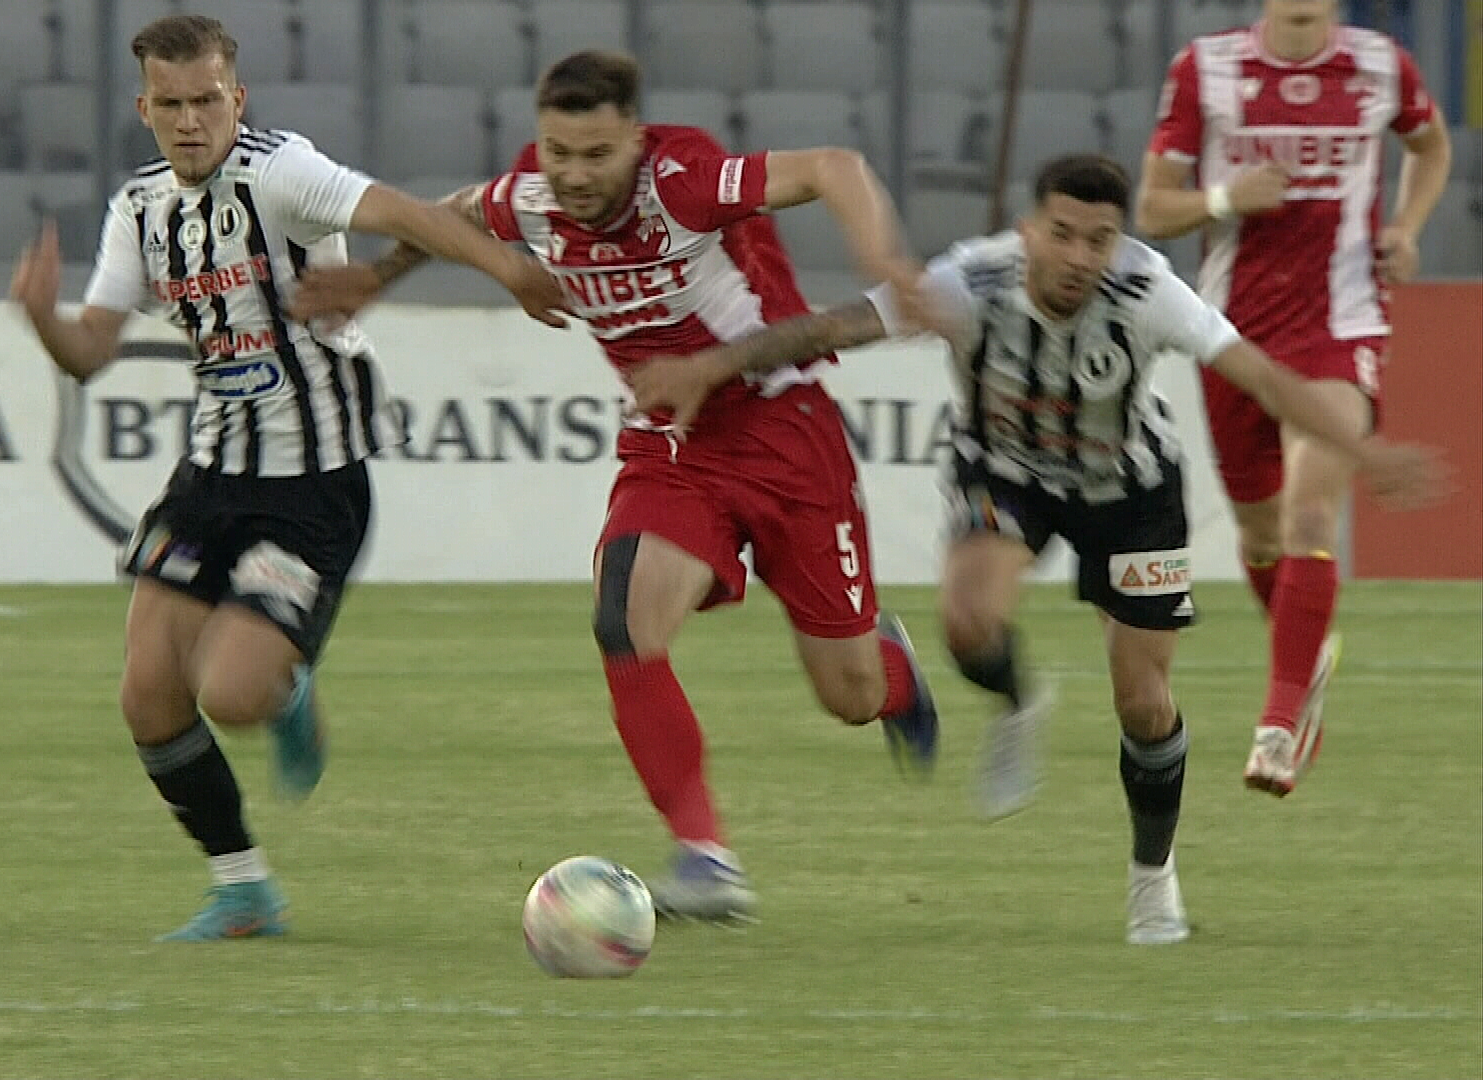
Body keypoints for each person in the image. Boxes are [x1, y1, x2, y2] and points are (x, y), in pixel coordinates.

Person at [625, 154, 1445, 943]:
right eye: (1062, 233)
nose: (1079, 256)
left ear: (1119, 240)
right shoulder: (970, 280)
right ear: (1029, 229)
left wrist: (1367, 456)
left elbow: (1262, 378)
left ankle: (1152, 879)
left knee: (1144, 705)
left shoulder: (1149, 289)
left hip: (1131, 495)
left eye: (1099, 239)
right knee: (968, 621)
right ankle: (1020, 702)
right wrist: (716, 364)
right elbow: (834, 327)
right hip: (1008, 475)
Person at [291, 50, 941, 925]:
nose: (574, 175)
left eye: (596, 155)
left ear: (634, 140)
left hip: (787, 434)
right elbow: (450, 213)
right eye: (558, 151)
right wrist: (387, 275)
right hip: (673, 441)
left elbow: (834, 166)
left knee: (851, 696)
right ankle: (706, 859)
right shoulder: (532, 195)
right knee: (624, 616)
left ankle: (896, 671)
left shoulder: (684, 185)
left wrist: (884, 259)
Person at [9, 14, 566, 942]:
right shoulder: (140, 210)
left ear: (239, 96)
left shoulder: (283, 172)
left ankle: (286, 690)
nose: (192, 120)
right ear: (144, 108)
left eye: (209, 100)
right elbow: (88, 353)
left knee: (232, 695)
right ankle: (244, 891)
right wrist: (41, 319)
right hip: (208, 477)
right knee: (146, 693)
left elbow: (410, 214)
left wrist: (511, 272)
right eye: (173, 105)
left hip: (314, 486)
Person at [1137, 0, 1452, 795]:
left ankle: (1277, 727)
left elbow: (1430, 144)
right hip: (1231, 335)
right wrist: (1222, 201)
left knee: (1314, 515)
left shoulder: (1383, 65)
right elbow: (1150, 208)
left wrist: (1408, 225)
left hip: (1341, 325)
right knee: (1261, 533)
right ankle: (1304, 657)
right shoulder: (1204, 69)